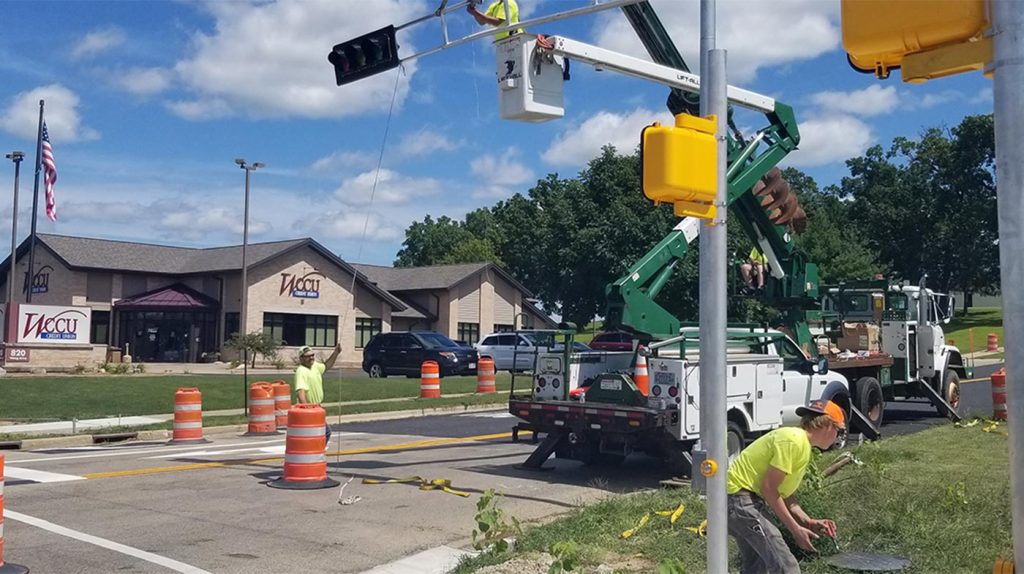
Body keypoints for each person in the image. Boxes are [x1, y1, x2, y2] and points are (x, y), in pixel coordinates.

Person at [726, 399, 845, 574]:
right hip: (742, 501)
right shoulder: (793, 441)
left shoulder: (802, 446)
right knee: (786, 567)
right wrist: (795, 530)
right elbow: (769, 489)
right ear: (828, 425)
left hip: (738, 501)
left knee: (758, 566)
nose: (840, 437)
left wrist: (808, 521)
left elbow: (785, 495)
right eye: (840, 431)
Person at [295, 343, 342, 448]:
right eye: (308, 356)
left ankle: (314, 452)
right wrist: (307, 409)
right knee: (325, 432)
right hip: (309, 408)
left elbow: (326, 366)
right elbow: (300, 391)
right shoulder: (301, 371)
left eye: (312, 355)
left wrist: (336, 353)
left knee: (319, 433)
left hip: (317, 407)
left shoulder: (315, 366)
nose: (311, 358)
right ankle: (315, 452)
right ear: (301, 358)